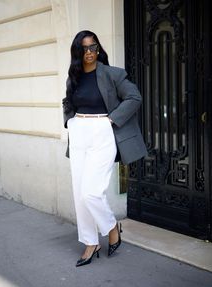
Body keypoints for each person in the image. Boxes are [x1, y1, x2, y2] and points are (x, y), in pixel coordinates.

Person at [62, 30, 147, 267]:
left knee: (91, 192)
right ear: (77, 52)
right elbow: (67, 101)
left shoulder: (112, 74)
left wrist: (111, 120)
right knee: (80, 194)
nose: (89, 52)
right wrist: (70, 121)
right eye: (84, 48)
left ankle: (111, 227)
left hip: (103, 132)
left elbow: (134, 97)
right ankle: (91, 242)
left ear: (98, 49)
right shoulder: (74, 78)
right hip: (79, 133)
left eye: (93, 47)